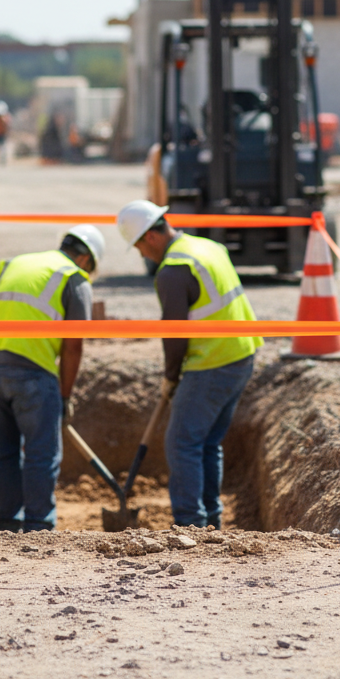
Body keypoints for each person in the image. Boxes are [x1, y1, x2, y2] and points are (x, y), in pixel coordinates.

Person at [116, 200, 261, 528]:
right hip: (242, 353)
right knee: (207, 441)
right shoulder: (207, 247)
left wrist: (171, 376)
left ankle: (189, 524)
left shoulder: (173, 271)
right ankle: (210, 520)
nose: (141, 254)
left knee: (182, 441)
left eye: (138, 246)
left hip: (213, 361)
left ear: (150, 238)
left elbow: (174, 334)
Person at [0, 224, 105, 532]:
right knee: (41, 453)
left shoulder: (14, 264)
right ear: (86, 261)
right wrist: (65, 396)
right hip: (31, 369)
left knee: (5, 451)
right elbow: (73, 347)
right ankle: (38, 527)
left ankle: (8, 524)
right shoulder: (74, 278)